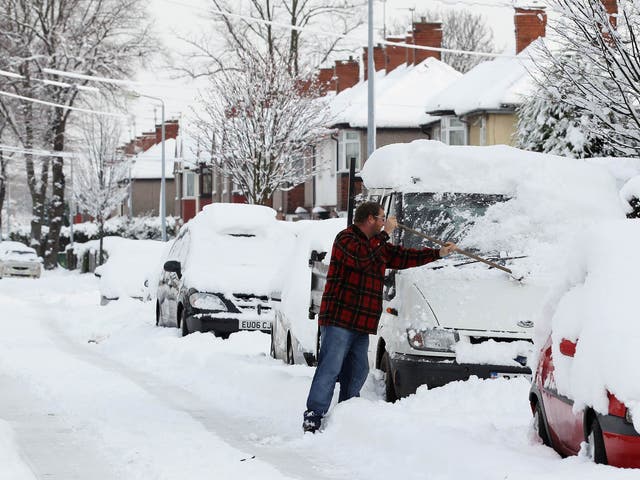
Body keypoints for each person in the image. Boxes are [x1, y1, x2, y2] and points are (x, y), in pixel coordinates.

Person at [302, 201, 457, 433]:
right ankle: (313, 415)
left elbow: (404, 257)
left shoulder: (377, 246)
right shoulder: (346, 239)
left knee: (358, 371)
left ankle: (345, 413)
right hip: (339, 319)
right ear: (370, 219)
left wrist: (438, 253)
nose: (386, 221)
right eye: (382, 217)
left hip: (361, 324)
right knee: (330, 368)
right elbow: (362, 260)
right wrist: (385, 235)